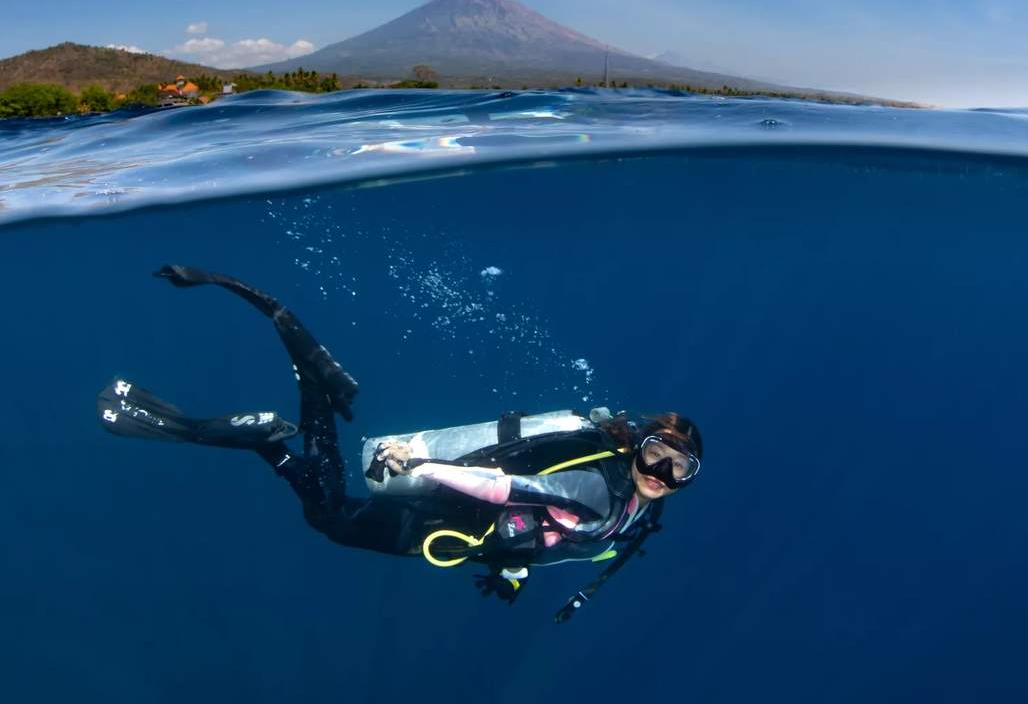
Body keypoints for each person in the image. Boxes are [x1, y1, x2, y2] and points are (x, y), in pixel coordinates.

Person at [97, 265, 703, 622]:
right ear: (636, 446)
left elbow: (552, 532)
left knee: (332, 513)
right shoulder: (602, 488)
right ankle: (282, 425)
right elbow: (508, 486)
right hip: (443, 517)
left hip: (465, 529)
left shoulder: (640, 513)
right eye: (656, 456)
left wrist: (514, 570)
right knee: (330, 517)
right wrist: (425, 462)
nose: (663, 475)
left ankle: (286, 429)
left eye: (679, 470)